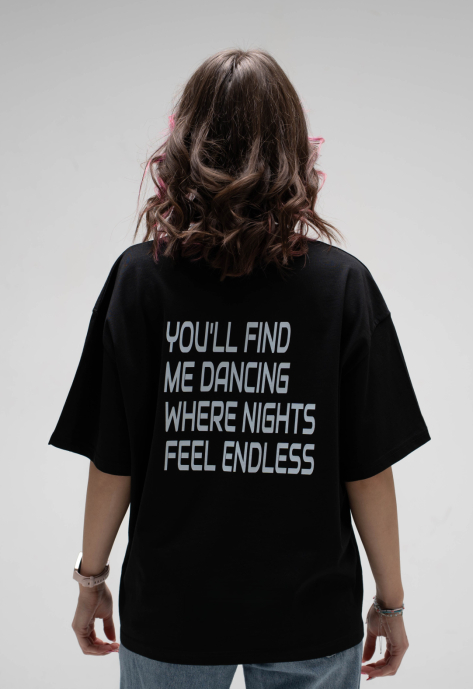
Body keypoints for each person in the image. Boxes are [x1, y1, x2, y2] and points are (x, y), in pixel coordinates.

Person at [48, 48, 431, 689]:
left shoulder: (139, 281)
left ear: (185, 144)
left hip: (170, 614)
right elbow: (368, 470)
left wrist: (92, 579)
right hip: (309, 618)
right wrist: (390, 604)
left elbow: (113, 458)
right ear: (294, 151)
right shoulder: (342, 288)